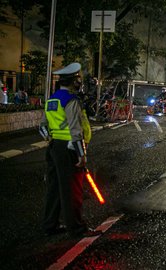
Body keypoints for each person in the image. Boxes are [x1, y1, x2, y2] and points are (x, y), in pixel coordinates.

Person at [39, 62, 101, 237]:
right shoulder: (71, 100)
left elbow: (42, 126)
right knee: (72, 190)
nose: (79, 82)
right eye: (77, 79)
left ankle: (50, 225)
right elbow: (75, 130)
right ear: (73, 81)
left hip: (54, 148)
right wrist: (81, 155)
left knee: (55, 187)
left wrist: (50, 139)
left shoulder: (52, 99)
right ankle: (76, 228)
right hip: (69, 149)